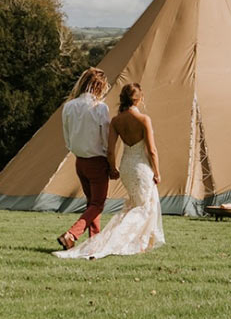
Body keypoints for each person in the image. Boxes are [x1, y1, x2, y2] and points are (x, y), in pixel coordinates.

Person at [54, 82, 165, 259]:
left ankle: (135, 243)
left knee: (134, 205)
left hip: (126, 167)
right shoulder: (144, 120)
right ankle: (119, 242)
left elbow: (111, 149)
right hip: (141, 167)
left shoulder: (116, 121)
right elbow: (152, 150)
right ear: (139, 99)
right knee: (144, 207)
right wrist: (157, 172)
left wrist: (113, 167)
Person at [56, 67, 116, 251]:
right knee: (98, 204)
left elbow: (67, 137)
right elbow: (105, 137)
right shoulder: (99, 108)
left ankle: (93, 244)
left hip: (79, 160)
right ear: (100, 87)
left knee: (92, 204)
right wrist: (110, 161)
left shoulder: (69, 106)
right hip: (96, 160)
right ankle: (72, 234)